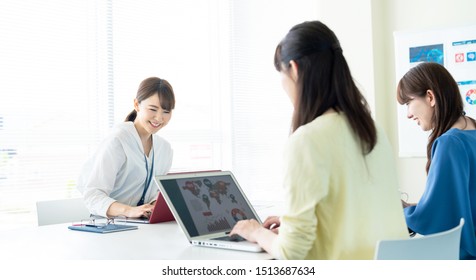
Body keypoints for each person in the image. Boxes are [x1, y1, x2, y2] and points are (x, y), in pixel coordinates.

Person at [229, 21, 408, 259]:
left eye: (281, 75)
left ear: (293, 69)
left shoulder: (307, 140)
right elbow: (360, 213)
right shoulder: (373, 131)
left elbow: (291, 252)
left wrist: (256, 232)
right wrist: (298, 225)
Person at [397, 62, 476, 260]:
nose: (408, 114)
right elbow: (460, 203)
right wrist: (415, 207)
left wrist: (400, 212)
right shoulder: (472, 129)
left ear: (430, 97)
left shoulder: (450, 143)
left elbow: (438, 218)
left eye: (408, 102)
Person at [77, 77, 175, 219]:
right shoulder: (117, 141)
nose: (159, 118)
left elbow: (155, 192)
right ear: (137, 104)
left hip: (143, 226)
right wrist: (129, 210)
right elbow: (92, 195)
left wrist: (154, 205)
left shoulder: (164, 149)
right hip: (109, 226)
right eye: (153, 109)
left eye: (166, 111)